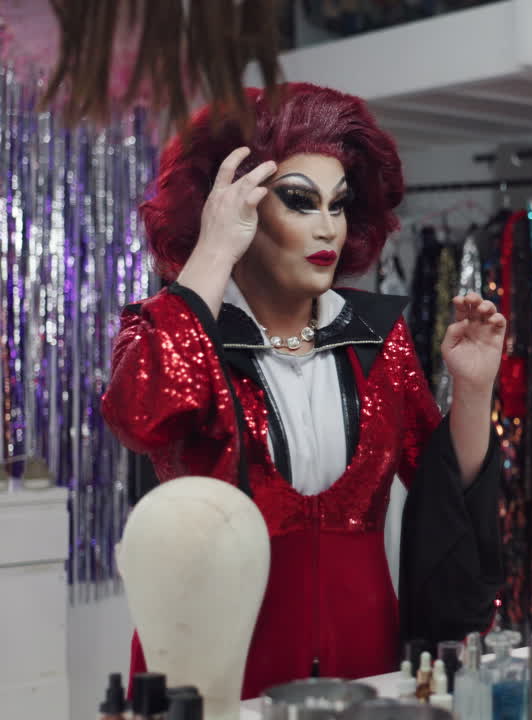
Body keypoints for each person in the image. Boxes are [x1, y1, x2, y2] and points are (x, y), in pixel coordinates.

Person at [101, 83, 504, 698]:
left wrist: (474, 392)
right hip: (216, 659)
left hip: (362, 656)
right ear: (234, 207)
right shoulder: (175, 328)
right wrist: (211, 252)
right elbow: (139, 416)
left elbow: (442, 487)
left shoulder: (374, 335)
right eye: (299, 201)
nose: (328, 229)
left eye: (339, 205)